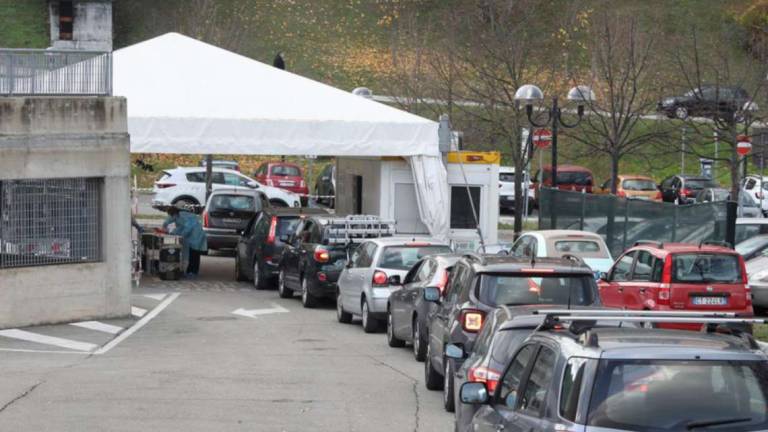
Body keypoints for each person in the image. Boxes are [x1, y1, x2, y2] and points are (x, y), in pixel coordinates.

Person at [161, 203, 207, 277]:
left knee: (194, 254)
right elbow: (176, 225)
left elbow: (187, 228)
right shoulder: (177, 216)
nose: (171, 217)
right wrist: (170, 231)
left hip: (196, 235)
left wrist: (180, 235)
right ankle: (190, 271)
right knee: (192, 254)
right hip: (192, 235)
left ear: (174, 214)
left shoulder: (183, 215)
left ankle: (193, 272)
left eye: (171, 215)